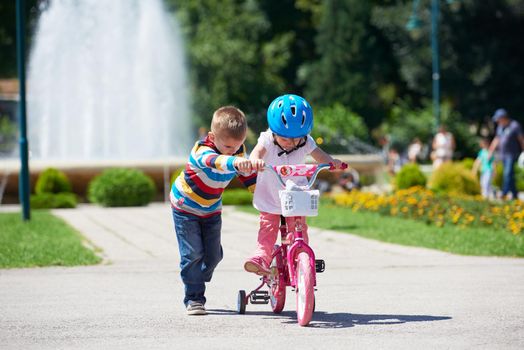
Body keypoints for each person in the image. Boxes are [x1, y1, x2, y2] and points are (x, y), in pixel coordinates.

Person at [170, 106, 256, 315]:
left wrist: (260, 194)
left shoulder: (237, 152)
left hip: (211, 209)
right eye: (227, 146)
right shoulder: (202, 151)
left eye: (238, 146)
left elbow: (247, 176)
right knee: (192, 255)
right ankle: (194, 298)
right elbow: (217, 162)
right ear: (212, 137)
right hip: (185, 207)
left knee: (214, 256)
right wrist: (236, 161)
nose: (233, 150)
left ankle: (195, 276)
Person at [244, 94, 343, 275]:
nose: (291, 143)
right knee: (268, 227)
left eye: (296, 139)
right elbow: (256, 153)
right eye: (285, 139)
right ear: (274, 131)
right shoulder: (267, 139)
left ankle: (300, 256)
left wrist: (331, 162)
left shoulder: (305, 140)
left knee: (298, 228)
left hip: (295, 194)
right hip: (270, 195)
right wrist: (255, 160)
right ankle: (261, 257)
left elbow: (319, 155)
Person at [488, 108, 524, 200]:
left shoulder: (514, 125)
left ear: (503, 117)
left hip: (512, 154)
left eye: (498, 119)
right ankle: (515, 194)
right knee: (509, 174)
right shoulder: (500, 127)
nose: (497, 121)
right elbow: (497, 139)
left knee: (507, 173)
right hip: (502, 154)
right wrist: (490, 151)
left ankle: (504, 193)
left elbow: (521, 139)